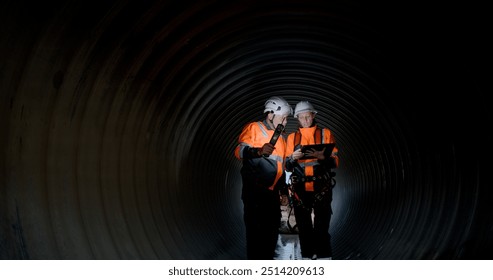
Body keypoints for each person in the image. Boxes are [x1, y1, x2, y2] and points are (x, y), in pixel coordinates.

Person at [234, 96, 292, 259]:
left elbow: (281, 169)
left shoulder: (281, 138)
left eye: (287, 118)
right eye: (283, 117)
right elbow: (239, 152)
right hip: (255, 193)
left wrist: (284, 192)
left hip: (271, 196)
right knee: (256, 237)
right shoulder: (254, 128)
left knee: (271, 235)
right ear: (271, 114)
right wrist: (258, 151)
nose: (286, 122)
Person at [285, 101, 339, 260]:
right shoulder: (291, 138)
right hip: (300, 188)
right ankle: (307, 258)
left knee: (322, 226)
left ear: (313, 115)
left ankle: (323, 258)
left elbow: (335, 162)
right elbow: (287, 167)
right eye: (302, 118)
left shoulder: (325, 134)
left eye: (308, 117)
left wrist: (324, 158)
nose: (305, 120)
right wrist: (292, 159)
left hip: (322, 186)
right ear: (297, 119)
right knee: (304, 227)